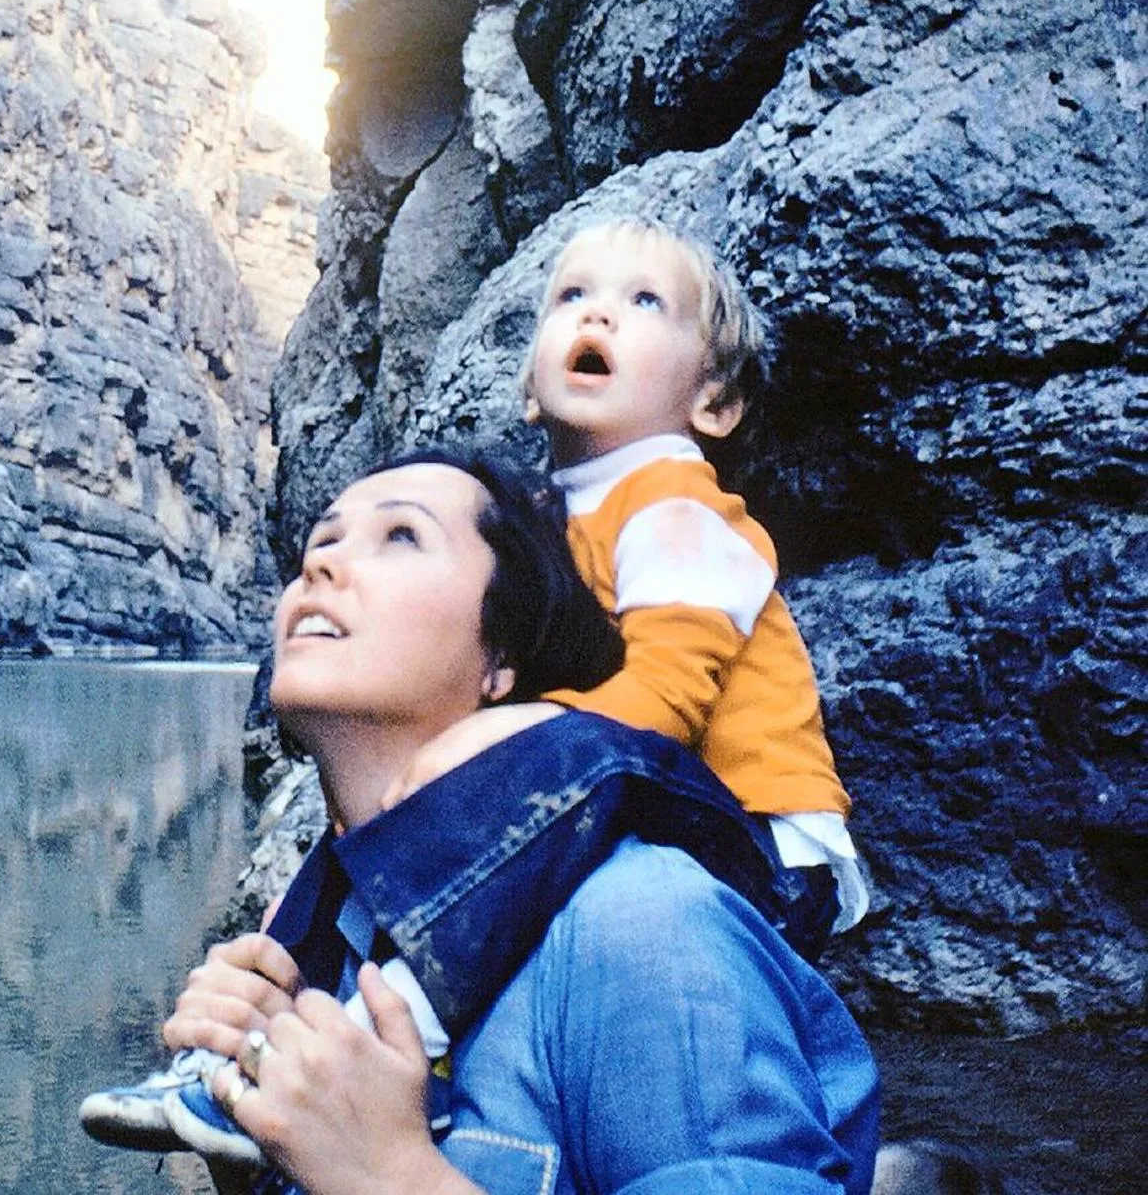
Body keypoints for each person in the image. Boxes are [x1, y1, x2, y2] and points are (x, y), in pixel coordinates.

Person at [88, 444, 880, 1191]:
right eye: (317, 544)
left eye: (401, 536)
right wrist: (258, 1124)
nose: (319, 565)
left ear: (501, 658)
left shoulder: (641, 927)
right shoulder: (323, 942)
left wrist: (395, 1179)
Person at [391, 218, 867, 949]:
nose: (597, 311)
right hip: (635, 808)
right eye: (571, 294)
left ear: (714, 402)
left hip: (762, 846)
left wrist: (496, 740)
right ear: (528, 388)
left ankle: (406, 1015)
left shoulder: (677, 510)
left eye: (645, 301)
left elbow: (661, 707)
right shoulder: (540, 524)